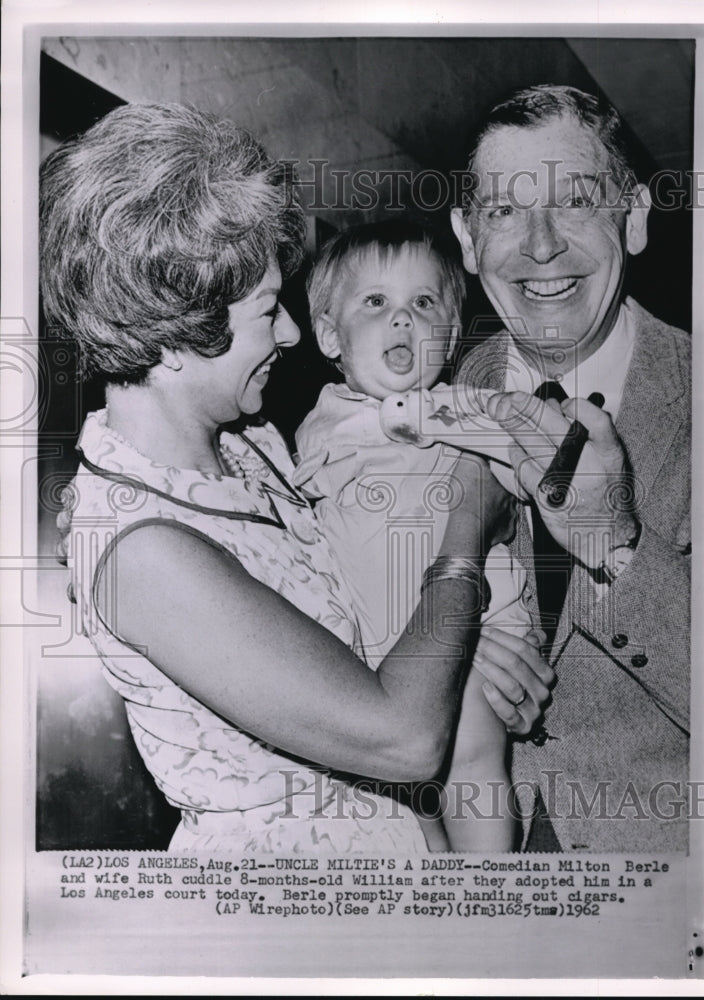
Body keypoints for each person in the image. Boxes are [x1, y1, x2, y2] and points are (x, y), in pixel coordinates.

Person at [40, 102, 551, 854]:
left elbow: (364, 611)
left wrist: (465, 649)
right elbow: (401, 738)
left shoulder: (252, 446)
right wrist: (467, 534)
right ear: (179, 329)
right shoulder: (143, 550)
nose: (288, 334)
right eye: (269, 311)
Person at [450, 85, 691, 852]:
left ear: (637, 216)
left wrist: (617, 545)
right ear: (465, 237)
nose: (541, 244)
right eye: (504, 211)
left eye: (576, 202)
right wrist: (444, 648)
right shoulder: (423, 409)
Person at [293, 220, 550, 851]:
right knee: (406, 799)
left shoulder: (465, 406)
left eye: (424, 303)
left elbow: (530, 459)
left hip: (470, 630)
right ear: (330, 334)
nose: (402, 319)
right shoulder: (321, 424)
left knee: (471, 763)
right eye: (375, 302)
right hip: (374, 648)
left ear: (453, 334)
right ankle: (439, 892)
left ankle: (491, 900)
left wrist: (518, 452)